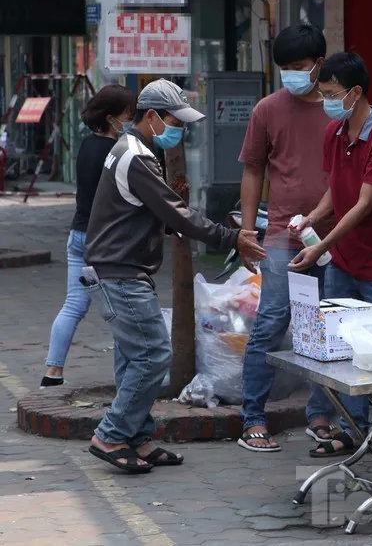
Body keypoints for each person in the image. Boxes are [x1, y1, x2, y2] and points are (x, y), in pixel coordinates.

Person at [84, 79, 266, 473]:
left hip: (119, 269)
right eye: (175, 121)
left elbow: (152, 212)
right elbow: (177, 213)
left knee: (134, 358)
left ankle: (138, 437)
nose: (180, 130)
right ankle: (111, 434)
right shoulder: (136, 157)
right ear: (151, 117)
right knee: (153, 356)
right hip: (120, 273)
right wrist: (231, 237)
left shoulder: (136, 150)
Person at [289, 52, 372, 457]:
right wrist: (312, 218)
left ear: (356, 92)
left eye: (332, 94)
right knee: (344, 350)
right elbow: (337, 190)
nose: (327, 101)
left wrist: (320, 247)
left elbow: (364, 204)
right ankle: (353, 429)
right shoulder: (335, 132)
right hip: (342, 263)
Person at [236, 25, 337, 453]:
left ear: (318, 64)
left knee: (328, 326)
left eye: (298, 68)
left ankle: (321, 415)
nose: (290, 76)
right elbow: (253, 169)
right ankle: (252, 418)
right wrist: (245, 229)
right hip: (281, 234)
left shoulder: (339, 107)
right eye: (284, 69)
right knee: (272, 323)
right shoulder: (267, 110)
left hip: (335, 236)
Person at [42, 85, 137, 387]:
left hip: (78, 235)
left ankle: (52, 372)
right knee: (124, 308)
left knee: (73, 305)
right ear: (111, 118)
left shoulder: (86, 145)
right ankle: (130, 376)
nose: (130, 120)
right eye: (127, 115)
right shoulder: (116, 151)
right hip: (104, 241)